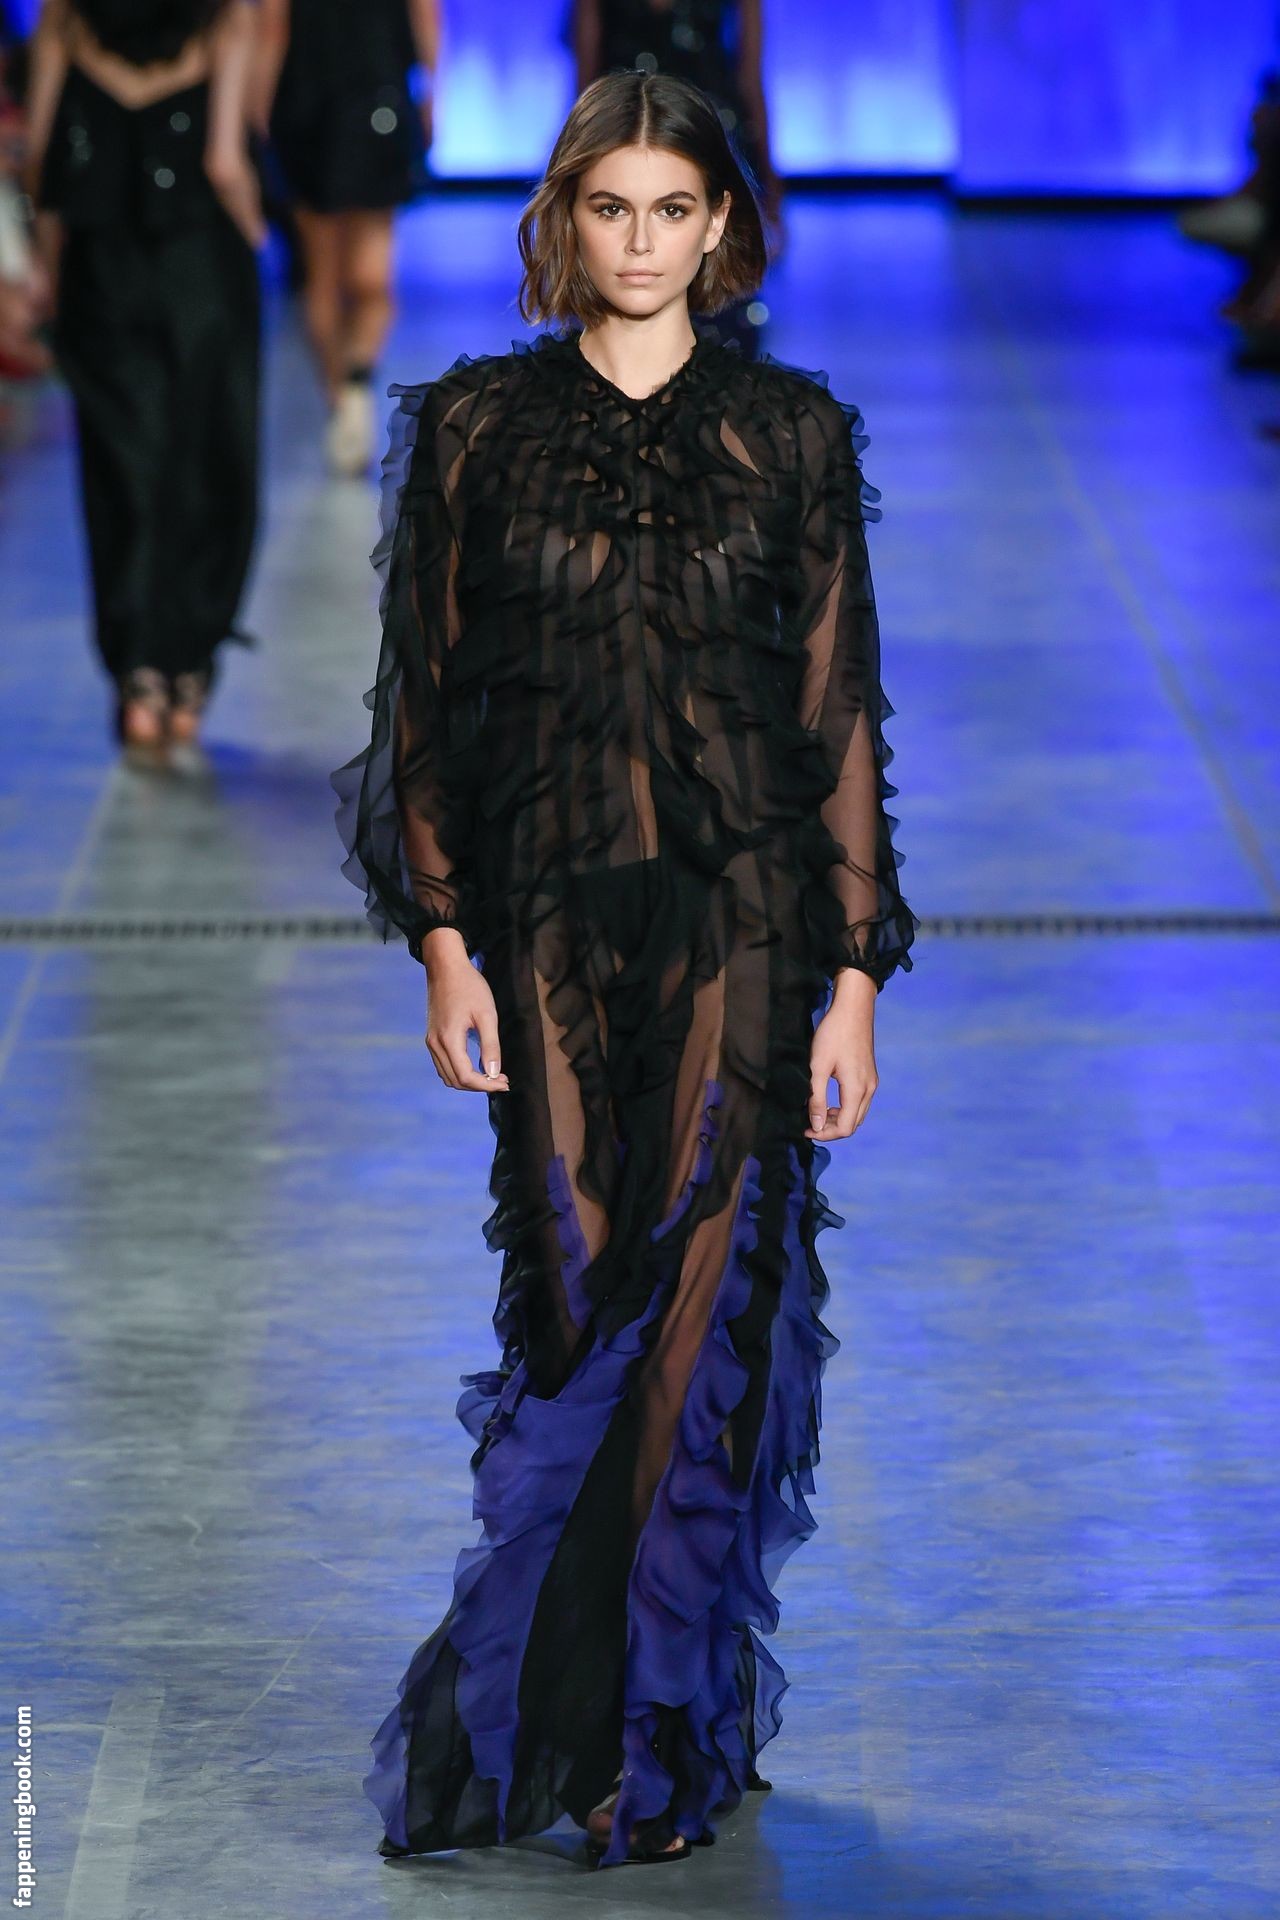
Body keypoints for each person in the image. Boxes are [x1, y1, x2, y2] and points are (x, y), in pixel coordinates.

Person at [331, 69, 917, 1870]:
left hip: (743, 925)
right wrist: (445, 947)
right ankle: (578, 1714)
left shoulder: (791, 435)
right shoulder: (478, 429)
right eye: (611, 209)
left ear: (721, 225)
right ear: (562, 220)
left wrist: (853, 976)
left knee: (705, 1318)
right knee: (583, 1305)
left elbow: (836, 715)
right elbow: (427, 706)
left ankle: (649, 1745)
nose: (643, 243)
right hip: (549, 927)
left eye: (674, 210)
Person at [23, 0, 262, 759]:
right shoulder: (224, 15)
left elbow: (42, 157)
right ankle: (188, 669)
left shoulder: (67, 16)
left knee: (123, 466)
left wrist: (46, 267)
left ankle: (137, 677)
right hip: (201, 267)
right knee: (207, 459)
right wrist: (258, 238)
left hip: (103, 266)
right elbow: (224, 161)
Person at [253, 0, 439, 476]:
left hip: (308, 102)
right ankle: (355, 387)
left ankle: (341, 402)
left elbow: (272, 29)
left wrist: (257, 116)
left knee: (323, 277)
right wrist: (429, 93)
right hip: (378, 95)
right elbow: (425, 16)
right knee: (371, 280)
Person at [572, 0, 782, 356]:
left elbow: (750, 74)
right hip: (623, 138)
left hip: (713, 140)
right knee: (622, 288)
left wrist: (768, 182)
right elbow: (586, 75)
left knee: (723, 296)